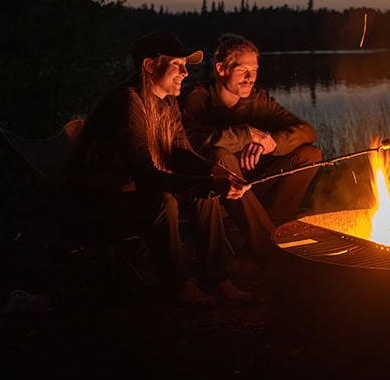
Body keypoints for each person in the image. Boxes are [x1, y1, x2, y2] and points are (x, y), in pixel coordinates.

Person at [62, 31, 258, 308]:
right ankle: (176, 284)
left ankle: (216, 279)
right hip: (97, 204)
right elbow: (146, 175)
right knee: (162, 200)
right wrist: (209, 184)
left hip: (131, 192)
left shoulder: (166, 102)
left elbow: (180, 153)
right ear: (149, 66)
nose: (184, 73)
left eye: (185, 65)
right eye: (177, 64)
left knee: (203, 192)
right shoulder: (128, 103)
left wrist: (216, 173)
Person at [182, 33, 323, 263]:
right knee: (221, 157)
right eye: (242, 70)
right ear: (220, 68)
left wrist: (271, 143)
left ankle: (276, 229)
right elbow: (189, 143)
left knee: (310, 154)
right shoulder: (196, 99)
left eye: (255, 70)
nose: (250, 78)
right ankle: (269, 248)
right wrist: (244, 135)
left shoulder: (259, 100)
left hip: (253, 182)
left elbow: (306, 131)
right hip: (215, 190)